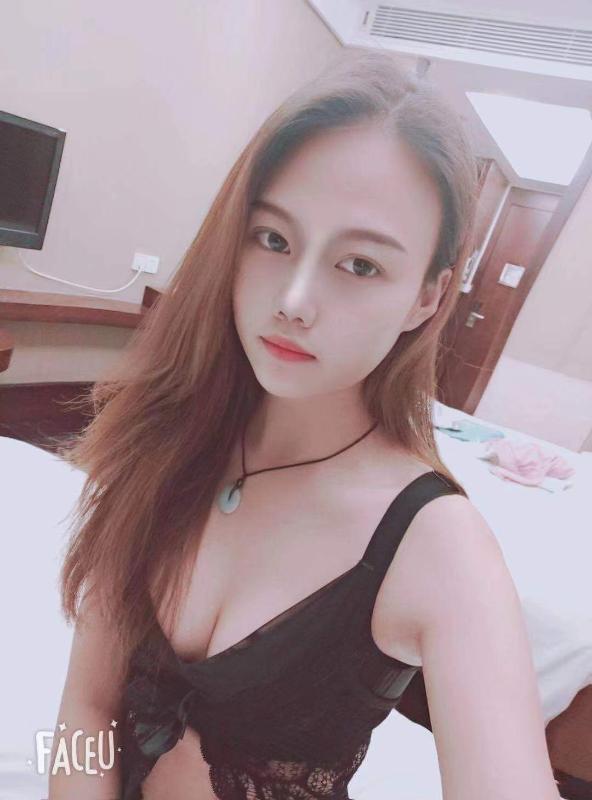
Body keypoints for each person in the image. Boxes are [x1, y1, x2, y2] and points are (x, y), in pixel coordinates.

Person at [48, 48, 560, 800]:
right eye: (274, 239)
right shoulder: (162, 439)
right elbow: (86, 710)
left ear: (427, 298)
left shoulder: (435, 545)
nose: (293, 300)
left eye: (360, 265)